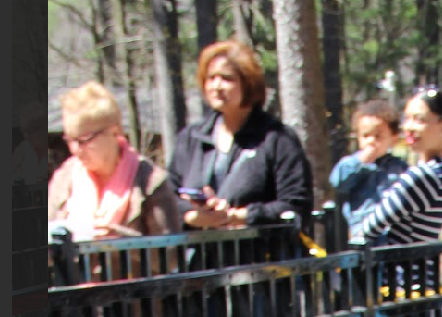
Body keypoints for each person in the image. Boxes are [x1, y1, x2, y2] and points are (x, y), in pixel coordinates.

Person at [167, 37, 313, 229]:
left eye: (226, 78)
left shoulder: (277, 138)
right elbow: (169, 196)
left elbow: (296, 205)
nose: (216, 86)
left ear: (248, 83)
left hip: (261, 247)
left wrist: (240, 216)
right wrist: (191, 215)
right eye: (211, 78)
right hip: (201, 247)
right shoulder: (191, 138)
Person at [47, 83, 181, 238]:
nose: (76, 149)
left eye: (84, 139)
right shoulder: (64, 178)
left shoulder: (150, 182)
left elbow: (170, 248)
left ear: (114, 131)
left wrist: (118, 240)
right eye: (70, 140)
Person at [348, 84, 442, 246]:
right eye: (406, 118)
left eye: (419, 120)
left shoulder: (423, 175)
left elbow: (370, 227)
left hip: (401, 262)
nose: (408, 127)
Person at [329, 91, 406, 227]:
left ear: (393, 138)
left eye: (378, 136)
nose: (371, 141)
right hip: (362, 227)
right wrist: (360, 163)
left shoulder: (399, 167)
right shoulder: (351, 163)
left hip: (391, 228)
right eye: (365, 136)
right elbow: (338, 182)